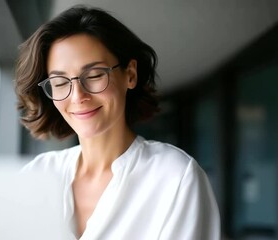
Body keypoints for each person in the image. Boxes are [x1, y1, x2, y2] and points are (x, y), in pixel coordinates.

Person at [15, 5, 220, 240]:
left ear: (130, 74)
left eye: (93, 75)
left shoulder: (175, 177)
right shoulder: (37, 175)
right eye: (60, 82)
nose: (78, 96)